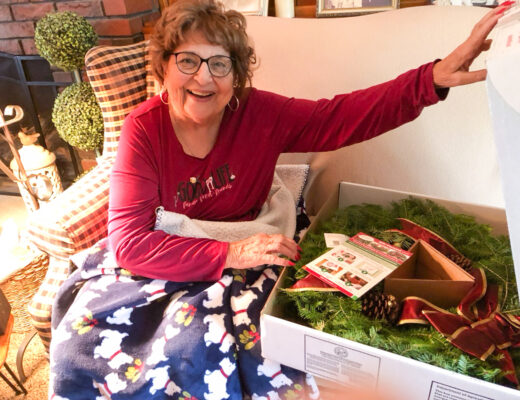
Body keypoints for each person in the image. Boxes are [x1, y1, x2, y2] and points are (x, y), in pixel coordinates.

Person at [49, 1, 512, 398]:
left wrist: (430, 80)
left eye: (220, 63)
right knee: (81, 346)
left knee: (251, 349)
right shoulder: (143, 130)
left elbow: (342, 116)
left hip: (251, 244)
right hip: (170, 255)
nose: (203, 78)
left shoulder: (260, 113)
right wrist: (228, 253)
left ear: (236, 75)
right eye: (187, 60)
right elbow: (130, 242)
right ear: (163, 67)